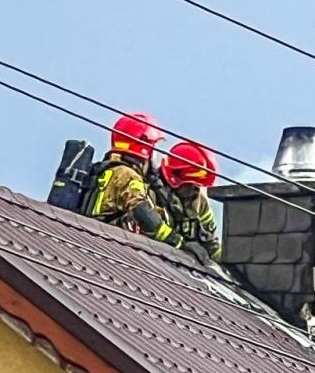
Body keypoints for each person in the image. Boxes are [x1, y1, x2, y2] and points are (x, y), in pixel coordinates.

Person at [84, 112, 177, 244]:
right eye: (153, 148)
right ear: (145, 148)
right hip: (109, 242)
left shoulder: (110, 170)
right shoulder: (127, 175)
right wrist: (175, 241)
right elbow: (141, 210)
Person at [156, 140, 221, 263]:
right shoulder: (152, 194)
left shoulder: (200, 202)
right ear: (176, 178)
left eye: (200, 185)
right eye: (192, 184)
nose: (197, 190)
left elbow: (211, 240)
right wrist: (180, 244)